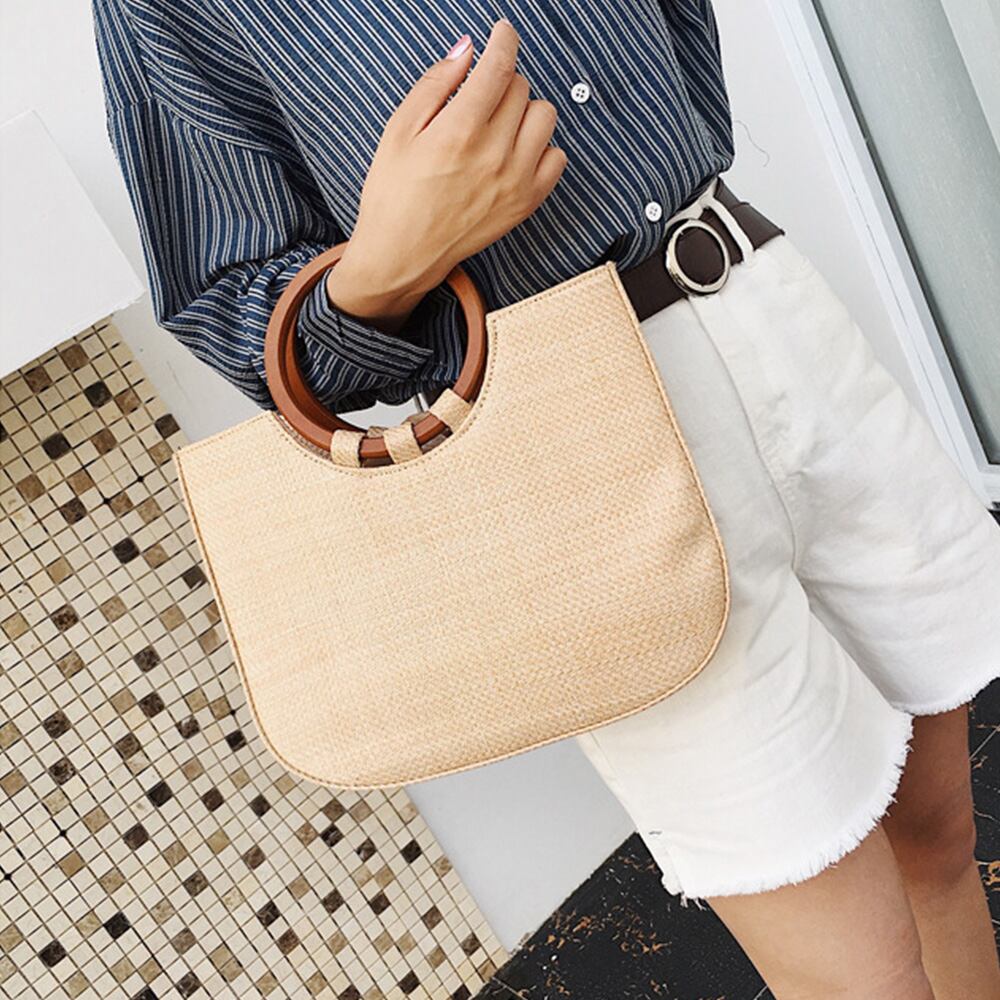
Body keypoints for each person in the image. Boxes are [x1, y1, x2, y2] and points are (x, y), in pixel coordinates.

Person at [91, 3, 1000, 996]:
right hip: (572, 440)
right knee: (862, 975)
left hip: (771, 310)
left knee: (940, 844)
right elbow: (229, 296)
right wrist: (386, 265)